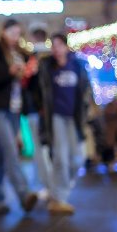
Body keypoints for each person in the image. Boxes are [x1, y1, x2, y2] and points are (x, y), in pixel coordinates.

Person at [0, 19, 39, 216]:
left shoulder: (21, 53)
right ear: (3, 32)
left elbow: (27, 83)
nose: (15, 37)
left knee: (3, 154)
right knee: (11, 150)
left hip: (14, 108)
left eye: (17, 33)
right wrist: (9, 72)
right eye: (12, 32)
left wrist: (30, 73)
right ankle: (24, 195)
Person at [36, 33, 89, 215]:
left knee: (77, 159)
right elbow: (40, 92)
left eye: (59, 45)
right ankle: (59, 198)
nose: (56, 49)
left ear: (66, 47)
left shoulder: (77, 65)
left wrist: (86, 111)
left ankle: (59, 190)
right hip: (55, 117)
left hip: (73, 118)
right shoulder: (47, 67)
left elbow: (85, 91)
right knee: (60, 157)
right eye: (53, 45)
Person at [22, 28, 51, 199]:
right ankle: (41, 184)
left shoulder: (35, 61)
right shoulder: (45, 60)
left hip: (37, 110)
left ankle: (43, 185)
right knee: (41, 151)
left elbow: (27, 83)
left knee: (40, 151)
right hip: (38, 110)